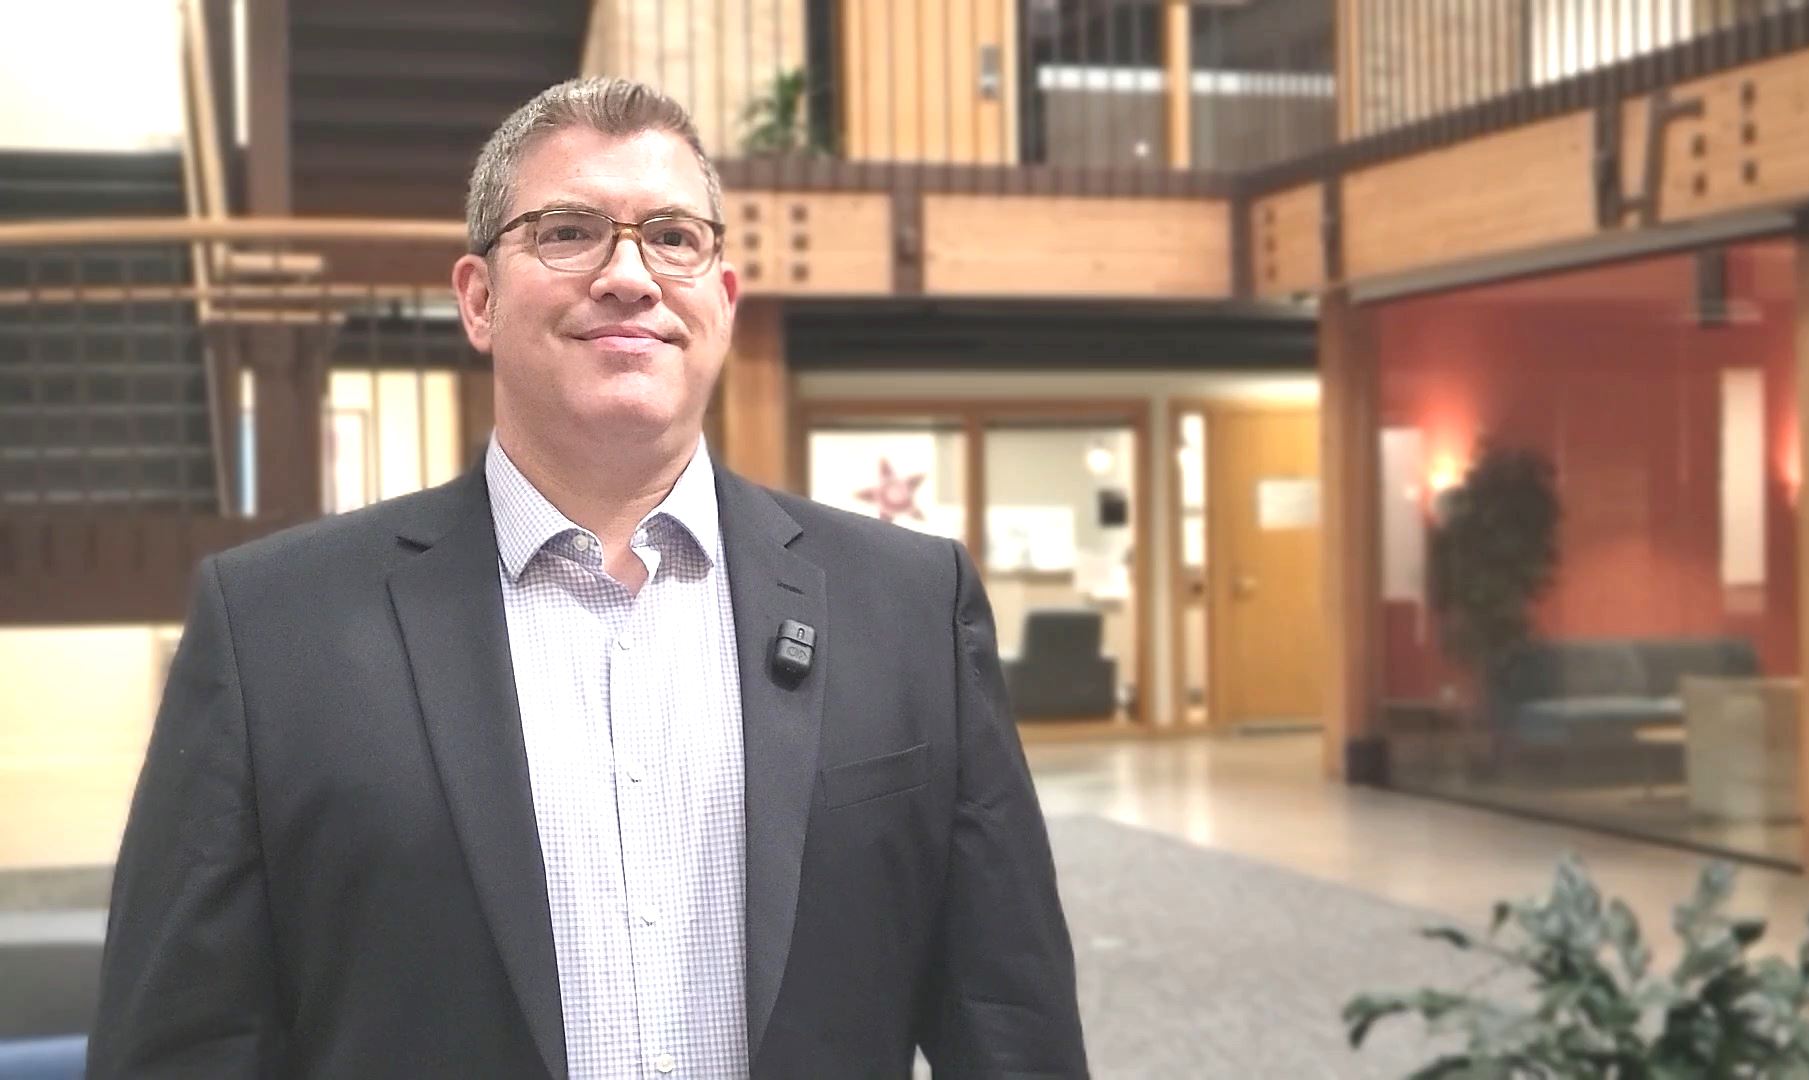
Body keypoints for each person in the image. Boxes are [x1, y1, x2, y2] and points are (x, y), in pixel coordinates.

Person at [89, 77, 1087, 1079]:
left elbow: (1012, 1026)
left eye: (674, 237)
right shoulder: (274, 629)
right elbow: (185, 1044)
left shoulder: (908, 607)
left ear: (723, 302)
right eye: (568, 233)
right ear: (478, 299)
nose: (630, 276)